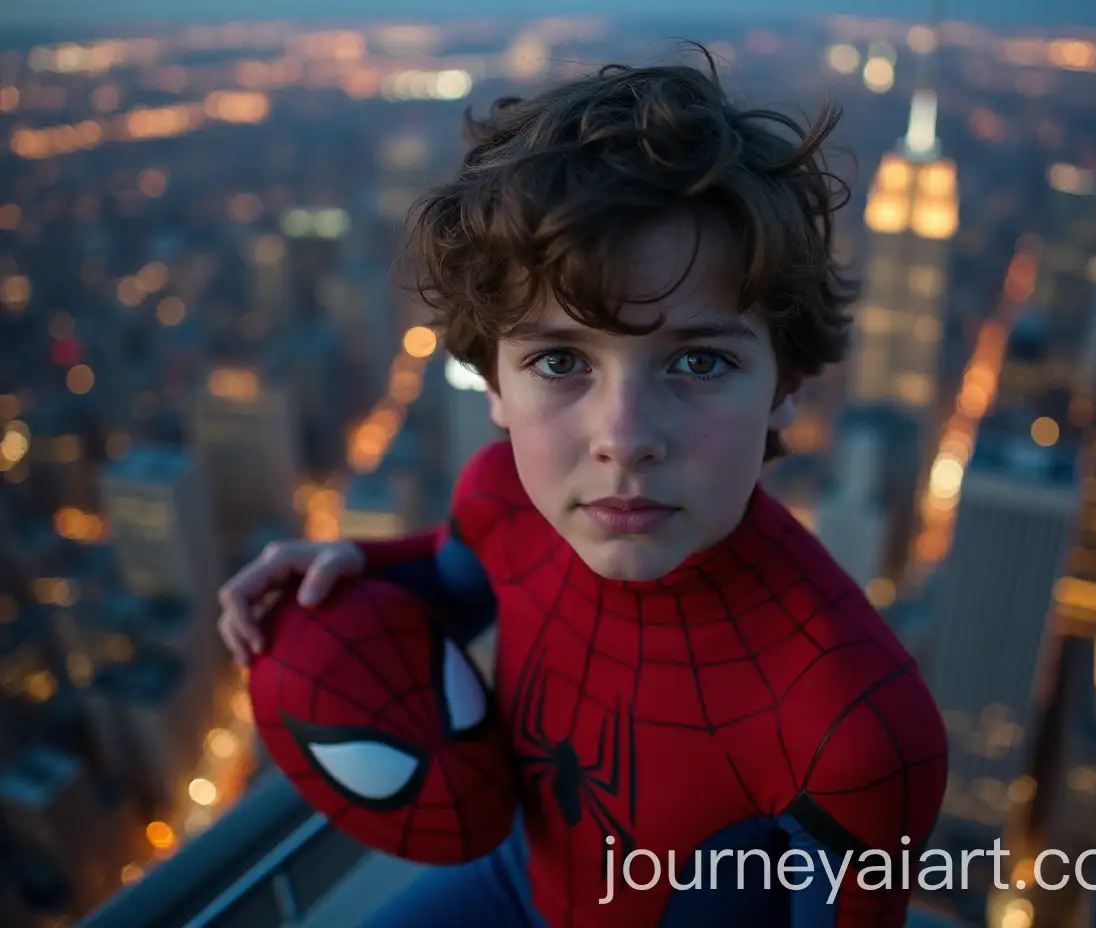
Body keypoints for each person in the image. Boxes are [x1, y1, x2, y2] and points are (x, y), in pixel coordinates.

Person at [219, 47, 948, 927]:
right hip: (513, 877)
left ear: (786, 380)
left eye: (700, 359)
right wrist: (342, 575)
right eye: (560, 360)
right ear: (491, 382)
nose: (626, 440)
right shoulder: (498, 498)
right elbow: (450, 582)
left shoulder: (859, 723)